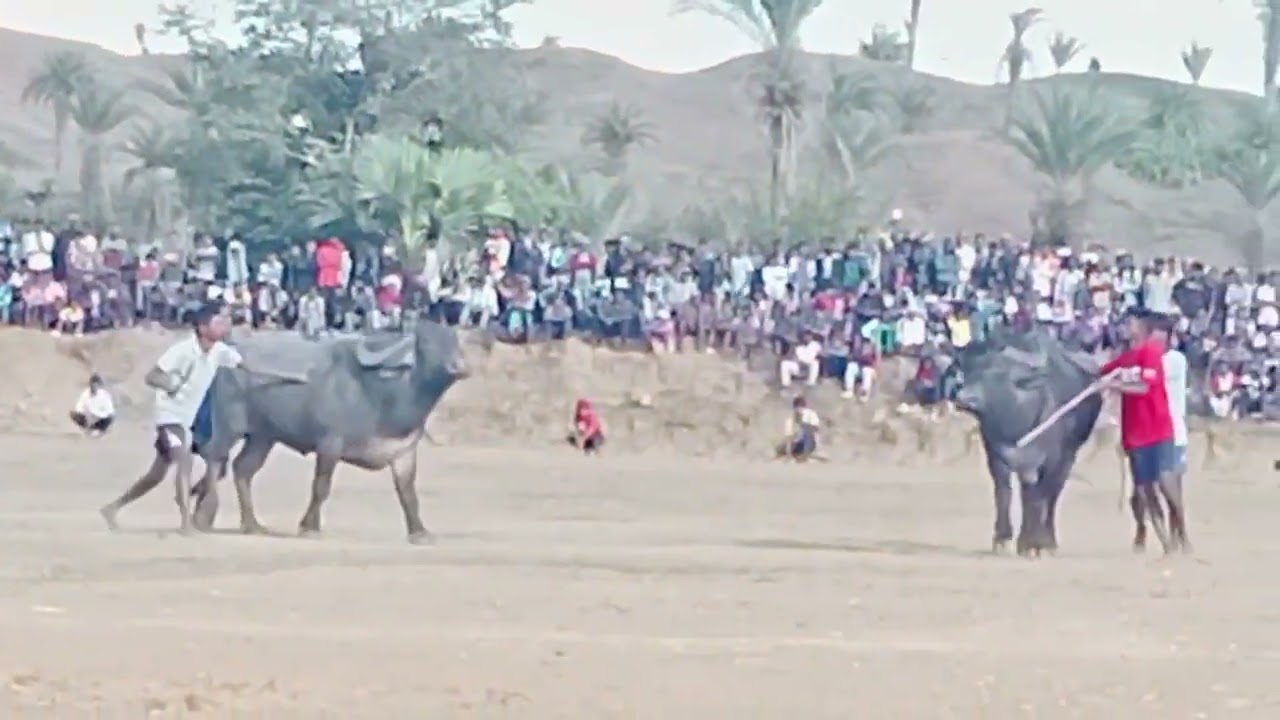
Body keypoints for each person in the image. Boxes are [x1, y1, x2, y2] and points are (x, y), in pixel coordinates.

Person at [99, 303, 241, 534]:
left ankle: (112, 508)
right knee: (184, 460)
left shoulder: (219, 351)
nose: (224, 325)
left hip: (187, 421)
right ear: (202, 328)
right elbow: (153, 376)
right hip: (170, 418)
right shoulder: (183, 350)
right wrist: (171, 384)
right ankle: (186, 523)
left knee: (155, 475)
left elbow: (246, 367)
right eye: (218, 321)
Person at [1099, 309, 1186, 554]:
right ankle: (1167, 546)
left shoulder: (1151, 354)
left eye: (1131, 323)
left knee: (1167, 485)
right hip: (1134, 435)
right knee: (1146, 491)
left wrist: (1113, 384)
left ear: (1144, 328)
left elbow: (1144, 388)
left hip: (1158, 431)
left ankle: (1182, 534)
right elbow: (1102, 371)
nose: (1127, 326)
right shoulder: (1126, 358)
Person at [777, 395, 821, 462]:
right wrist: (789, 455)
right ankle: (795, 454)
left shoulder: (811, 414)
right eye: (798, 408)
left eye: (801, 408)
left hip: (810, 443)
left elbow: (816, 433)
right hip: (797, 444)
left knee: (808, 429)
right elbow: (789, 438)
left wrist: (818, 450)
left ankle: (805, 455)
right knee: (781, 446)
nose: (800, 410)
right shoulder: (790, 419)